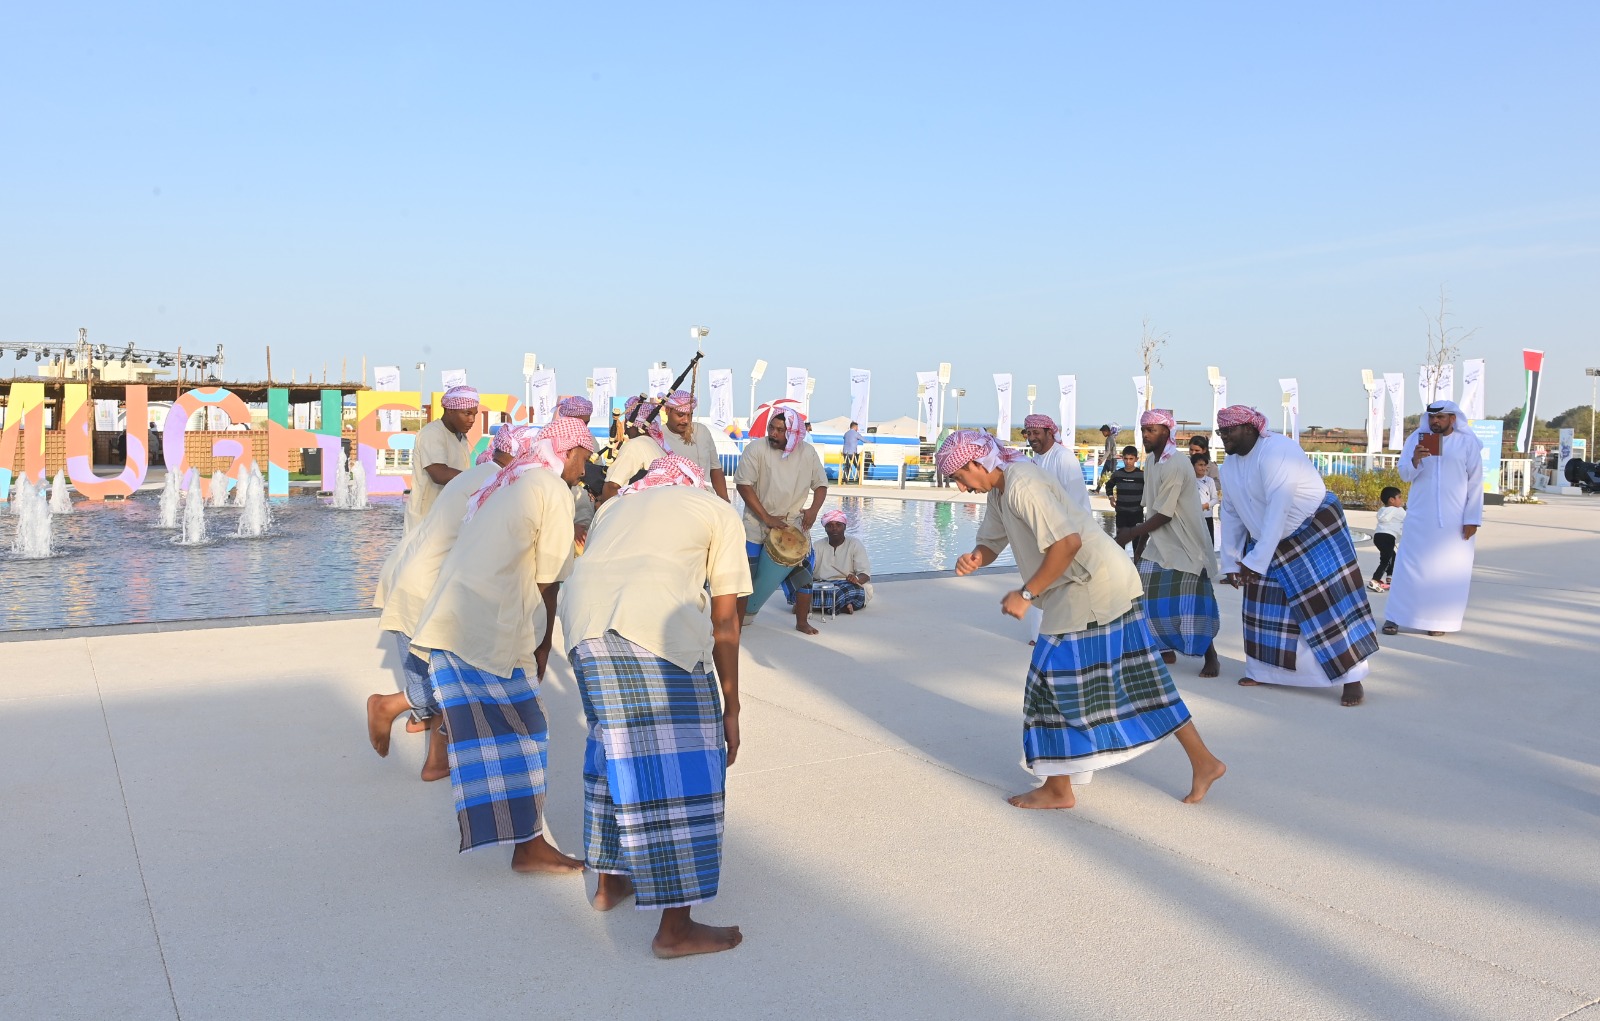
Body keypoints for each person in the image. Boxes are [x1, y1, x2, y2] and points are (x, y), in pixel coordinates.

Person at [938, 429, 1226, 810]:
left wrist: (1026, 595)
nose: (961, 488)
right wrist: (976, 556)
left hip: (1092, 587)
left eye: (959, 477)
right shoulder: (1000, 487)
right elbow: (991, 541)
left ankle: (1059, 789)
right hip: (1094, 586)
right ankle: (1204, 762)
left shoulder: (1023, 483)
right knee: (1142, 679)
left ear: (976, 463)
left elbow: (1067, 544)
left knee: (1046, 686)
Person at [560, 454, 751, 958]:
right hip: (653, 631)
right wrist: (729, 708)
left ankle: (610, 883)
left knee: (610, 751)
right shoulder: (715, 510)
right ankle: (675, 929)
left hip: (582, 628)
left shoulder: (616, 507)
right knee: (685, 772)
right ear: (694, 482)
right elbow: (727, 623)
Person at [407, 416, 595, 873]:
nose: (584, 472)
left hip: (457, 617)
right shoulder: (551, 489)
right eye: (584, 460)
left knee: (502, 729)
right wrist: (545, 647)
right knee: (528, 729)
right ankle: (526, 848)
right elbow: (550, 580)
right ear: (569, 453)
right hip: (486, 626)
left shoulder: (515, 478)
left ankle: (523, 843)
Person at [367, 425, 530, 780]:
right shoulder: (499, 484)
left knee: (440, 670)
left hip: (414, 573)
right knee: (452, 674)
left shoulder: (484, 474)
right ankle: (389, 706)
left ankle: (431, 747)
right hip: (427, 584)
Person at [1215, 405, 1379, 708]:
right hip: (1268, 539)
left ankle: (1351, 677)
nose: (1223, 436)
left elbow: (1280, 508)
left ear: (1250, 429)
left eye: (1228, 430)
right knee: (1264, 607)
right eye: (1220, 431)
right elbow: (1231, 513)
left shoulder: (1278, 451)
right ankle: (1263, 670)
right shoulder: (1229, 467)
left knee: (1329, 604)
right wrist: (1232, 562)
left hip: (1312, 529)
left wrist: (1254, 561)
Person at [1115, 411, 1222, 678]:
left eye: (1151, 430)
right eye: (1143, 430)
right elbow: (1152, 510)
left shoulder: (1176, 463)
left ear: (1166, 432)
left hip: (1187, 542)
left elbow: (1165, 513)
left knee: (1191, 602)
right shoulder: (1151, 462)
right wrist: (1139, 551)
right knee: (1144, 596)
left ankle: (1212, 657)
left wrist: (1131, 534)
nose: (1145, 435)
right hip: (1160, 540)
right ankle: (1165, 650)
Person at [1383, 401, 1483, 636]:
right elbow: (1405, 475)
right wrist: (1416, 459)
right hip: (1420, 516)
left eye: (1441, 417)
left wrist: (1472, 518)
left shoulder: (1466, 443)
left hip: (1454, 519)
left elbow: (1476, 482)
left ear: (1453, 419)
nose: (1435, 422)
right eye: (1432, 418)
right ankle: (1395, 617)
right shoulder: (1416, 440)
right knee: (1409, 567)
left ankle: (1438, 622)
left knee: (1448, 571)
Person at [733, 405, 829, 634]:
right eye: (771, 428)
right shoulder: (756, 449)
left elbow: (821, 485)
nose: (773, 434)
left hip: (794, 525)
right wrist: (766, 517)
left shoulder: (808, 453)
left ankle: (802, 622)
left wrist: (814, 510)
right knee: (746, 574)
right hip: (756, 524)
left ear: (794, 433)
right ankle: (735, 624)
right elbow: (743, 485)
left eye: (780, 430)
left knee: (804, 576)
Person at [405, 385, 478, 532]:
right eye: (467, 413)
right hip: (426, 519)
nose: (472, 420)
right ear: (450, 410)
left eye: (474, 415)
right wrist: (480, 479)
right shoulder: (432, 433)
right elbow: (439, 474)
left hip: (448, 517)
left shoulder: (461, 436)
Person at [659, 389, 730, 501]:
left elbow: (715, 468)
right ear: (667, 410)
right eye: (680, 415)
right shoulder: (659, 437)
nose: (686, 420)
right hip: (676, 502)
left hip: (706, 500)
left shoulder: (702, 431)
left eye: (689, 415)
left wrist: (725, 501)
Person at [599, 396, 668, 504]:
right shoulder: (657, 447)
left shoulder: (635, 445)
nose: (626, 430)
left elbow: (613, 485)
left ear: (630, 422)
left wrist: (602, 509)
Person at [1022, 414, 1093, 514]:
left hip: (1070, 525)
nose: (1032, 438)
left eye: (1036, 433)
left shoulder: (1064, 457)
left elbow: (1078, 501)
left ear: (1049, 433)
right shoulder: (1034, 461)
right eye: (1029, 434)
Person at [811, 508, 872, 613]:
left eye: (838, 525)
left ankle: (814, 606)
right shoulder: (817, 546)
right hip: (823, 585)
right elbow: (808, 572)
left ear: (844, 526)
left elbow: (865, 575)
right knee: (803, 591)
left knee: (848, 592)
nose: (834, 528)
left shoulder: (855, 544)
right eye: (830, 525)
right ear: (825, 528)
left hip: (847, 584)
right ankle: (840, 606)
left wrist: (856, 578)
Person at [1104, 446, 1147, 559]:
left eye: (1131, 459)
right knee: (1120, 542)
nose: (1128, 461)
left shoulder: (1142, 475)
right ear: (1122, 459)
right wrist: (1111, 497)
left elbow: (1150, 490)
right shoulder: (1118, 474)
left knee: (1137, 543)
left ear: (1136, 459)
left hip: (1136, 513)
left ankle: (1138, 567)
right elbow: (1109, 485)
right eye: (1126, 458)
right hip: (1121, 512)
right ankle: (1121, 567)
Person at [1369, 486, 1405, 592]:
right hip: (1388, 537)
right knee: (1386, 560)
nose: (1402, 500)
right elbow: (1409, 519)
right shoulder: (1399, 511)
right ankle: (1375, 580)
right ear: (1392, 500)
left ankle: (1390, 577)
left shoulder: (1382, 510)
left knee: (1391, 556)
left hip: (1378, 536)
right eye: (1400, 497)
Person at [1192, 451, 1218, 541]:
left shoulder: (1209, 481)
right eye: (1200, 465)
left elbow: (1215, 499)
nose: (1203, 468)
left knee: (1209, 543)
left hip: (1207, 517)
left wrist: (1205, 506)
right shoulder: (1189, 481)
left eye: (1204, 465)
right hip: (1193, 518)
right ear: (1193, 466)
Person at [1094, 423, 1120, 492]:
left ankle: (1117, 490)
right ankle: (1097, 490)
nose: (1103, 433)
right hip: (1109, 460)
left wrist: (1101, 460)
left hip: (1111, 460)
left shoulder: (1110, 439)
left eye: (1103, 432)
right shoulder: (1111, 438)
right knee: (1103, 475)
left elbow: (1108, 451)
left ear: (1107, 431)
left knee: (1113, 476)